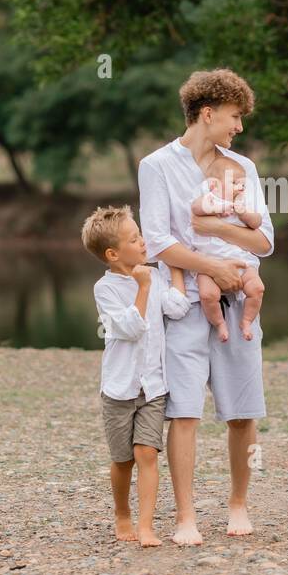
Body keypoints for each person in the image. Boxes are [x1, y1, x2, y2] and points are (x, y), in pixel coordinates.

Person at [138, 68, 274, 544]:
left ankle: (238, 503)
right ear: (208, 112)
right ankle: (186, 517)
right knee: (184, 411)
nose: (239, 128)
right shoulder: (156, 166)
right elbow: (157, 243)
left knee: (242, 411)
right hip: (183, 305)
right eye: (235, 117)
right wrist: (208, 268)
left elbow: (263, 240)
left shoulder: (243, 169)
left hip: (237, 297)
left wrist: (216, 235)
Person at [82, 204, 190, 547]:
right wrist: (142, 288)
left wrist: (173, 268)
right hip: (119, 390)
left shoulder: (155, 275)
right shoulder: (106, 290)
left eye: (141, 235)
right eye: (135, 238)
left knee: (146, 453)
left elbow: (177, 306)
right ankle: (122, 514)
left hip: (153, 386)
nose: (143, 242)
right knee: (122, 460)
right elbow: (129, 329)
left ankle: (146, 526)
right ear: (113, 254)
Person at [191, 158, 265, 341]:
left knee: (257, 288)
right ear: (214, 184)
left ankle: (246, 321)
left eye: (242, 184)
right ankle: (219, 323)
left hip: (241, 260)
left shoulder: (242, 203)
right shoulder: (209, 197)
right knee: (208, 295)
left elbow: (257, 223)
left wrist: (243, 213)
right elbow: (196, 208)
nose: (240, 187)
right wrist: (218, 206)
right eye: (234, 182)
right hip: (209, 263)